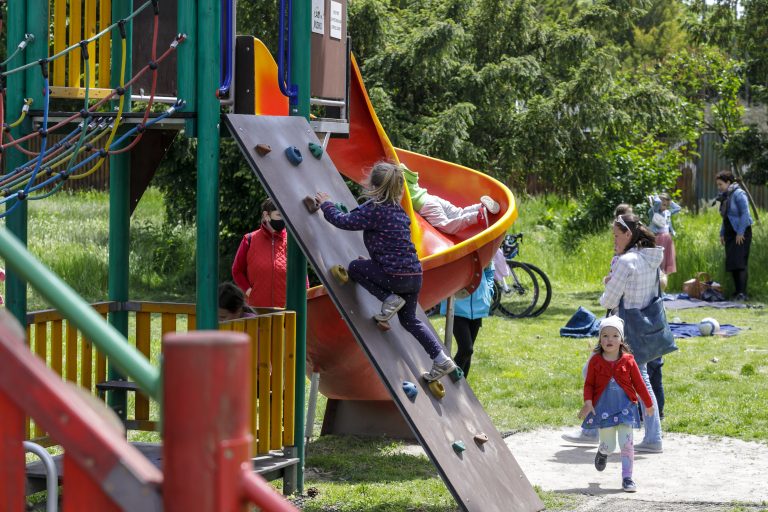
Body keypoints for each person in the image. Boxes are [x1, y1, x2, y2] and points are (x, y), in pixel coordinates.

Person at [315, 161, 458, 381]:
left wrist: (326, 205)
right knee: (410, 320)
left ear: (372, 185)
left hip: (394, 278)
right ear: (399, 188)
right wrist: (374, 264)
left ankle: (389, 298)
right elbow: (393, 247)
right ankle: (441, 358)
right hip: (414, 276)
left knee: (354, 267)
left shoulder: (374, 211)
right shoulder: (399, 213)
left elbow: (343, 221)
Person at [599, 213, 665, 453]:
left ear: (628, 234)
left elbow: (609, 299)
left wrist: (608, 282)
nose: (614, 241)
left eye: (617, 236)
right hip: (646, 326)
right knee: (631, 377)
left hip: (625, 329)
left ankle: (654, 437)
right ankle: (652, 436)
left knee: (601, 370)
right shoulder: (650, 258)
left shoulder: (627, 262)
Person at [579, 316, 654, 493]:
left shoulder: (629, 360)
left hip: (626, 409)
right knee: (610, 445)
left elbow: (639, 384)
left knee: (626, 444)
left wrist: (648, 404)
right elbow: (589, 383)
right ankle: (603, 452)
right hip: (603, 409)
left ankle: (627, 478)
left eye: (614, 336)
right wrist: (588, 402)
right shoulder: (596, 361)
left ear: (621, 339)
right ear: (599, 339)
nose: (609, 339)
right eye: (605, 335)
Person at [402, 165, 500, 234]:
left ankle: (477, 216)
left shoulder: (396, 179)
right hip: (430, 197)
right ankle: (480, 206)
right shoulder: (402, 170)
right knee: (458, 212)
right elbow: (413, 176)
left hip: (424, 205)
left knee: (447, 226)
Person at [440, 263, 494, 377]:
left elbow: (489, 271)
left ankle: (461, 390)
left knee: (468, 353)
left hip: (479, 306)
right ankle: (449, 380)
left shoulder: (483, 247)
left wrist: (488, 292)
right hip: (456, 306)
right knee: (466, 349)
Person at [232, 198, 288, 308]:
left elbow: (303, 280)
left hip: (287, 312)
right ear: (266, 215)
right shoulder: (249, 239)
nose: (283, 219)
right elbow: (237, 270)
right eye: (279, 215)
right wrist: (249, 292)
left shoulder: (293, 243)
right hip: (257, 311)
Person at [715, 171, 754, 301]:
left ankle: (743, 293)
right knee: (733, 263)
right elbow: (726, 217)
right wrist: (722, 233)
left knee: (740, 263)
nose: (719, 187)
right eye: (718, 185)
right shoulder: (726, 196)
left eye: (721, 184)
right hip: (730, 233)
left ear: (728, 182)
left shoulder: (739, 194)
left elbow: (745, 213)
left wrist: (740, 232)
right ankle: (737, 292)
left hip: (741, 233)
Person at [647, 193, 681, 276]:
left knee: (666, 260)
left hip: (667, 238)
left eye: (666, 205)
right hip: (658, 237)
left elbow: (678, 208)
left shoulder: (667, 212)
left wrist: (669, 201)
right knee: (659, 260)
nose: (663, 206)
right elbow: (657, 204)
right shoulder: (653, 211)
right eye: (662, 204)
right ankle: (656, 278)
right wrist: (656, 198)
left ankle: (663, 279)